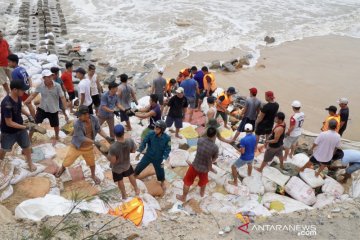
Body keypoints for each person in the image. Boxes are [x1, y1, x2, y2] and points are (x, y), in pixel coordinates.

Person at [55, 105, 112, 184]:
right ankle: (63, 168)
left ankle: (93, 175)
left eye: (80, 115)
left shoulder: (94, 119)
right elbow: (81, 137)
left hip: (88, 147)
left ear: (86, 115)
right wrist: (94, 142)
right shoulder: (77, 123)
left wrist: (107, 137)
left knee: (92, 163)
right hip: (76, 146)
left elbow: (98, 129)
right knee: (68, 160)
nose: (78, 117)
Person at [0, 78, 37, 171]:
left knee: (26, 146)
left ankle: (30, 163)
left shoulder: (19, 96)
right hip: (8, 132)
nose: (24, 91)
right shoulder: (6, 103)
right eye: (22, 90)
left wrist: (29, 115)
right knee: (4, 149)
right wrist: (26, 127)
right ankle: (1, 161)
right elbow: (9, 123)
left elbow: (20, 108)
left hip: (20, 129)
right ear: (15, 90)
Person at [25, 69, 67, 145]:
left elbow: (62, 97)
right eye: (48, 76)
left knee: (56, 125)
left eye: (51, 76)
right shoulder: (41, 86)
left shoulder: (57, 86)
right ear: (44, 78)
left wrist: (65, 108)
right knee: (35, 123)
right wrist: (26, 102)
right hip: (42, 108)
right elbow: (33, 95)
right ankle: (28, 139)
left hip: (53, 109)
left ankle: (57, 136)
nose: (50, 77)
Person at [176, 127, 219, 202]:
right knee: (204, 182)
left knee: (187, 181)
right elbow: (214, 159)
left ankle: (183, 197)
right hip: (205, 169)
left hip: (195, 165)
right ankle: (202, 193)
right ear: (214, 135)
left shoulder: (200, 140)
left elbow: (202, 137)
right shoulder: (215, 147)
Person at [134, 120, 171, 191]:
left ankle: (162, 182)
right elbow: (144, 142)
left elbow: (168, 149)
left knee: (160, 170)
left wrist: (164, 158)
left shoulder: (167, 138)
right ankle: (135, 175)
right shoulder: (150, 134)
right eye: (155, 128)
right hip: (148, 155)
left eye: (157, 129)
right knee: (140, 165)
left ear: (162, 130)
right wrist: (139, 151)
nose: (155, 130)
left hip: (159, 158)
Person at [108, 124, 140, 199]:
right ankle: (136, 189)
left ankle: (124, 194)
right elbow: (134, 150)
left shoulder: (113, 147)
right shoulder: (129, 141)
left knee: (120, 180)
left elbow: (113, 161)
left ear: (115, 134)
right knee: (130, 175)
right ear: (123, 133)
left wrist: (108, 156)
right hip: (126, 164)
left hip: (117, 168)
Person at [7, 54, 35, 120]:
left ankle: (33, 119)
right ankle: (32, 118)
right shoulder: (22, 68)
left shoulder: (14, 72)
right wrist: (30, 87)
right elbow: (28, 78)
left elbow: (16, 84)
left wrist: (14, 93)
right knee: (28, 104)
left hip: (21, 91)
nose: (8, 63)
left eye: (9, 62)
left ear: (14, 62)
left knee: (24, 105)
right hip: (26, 89)